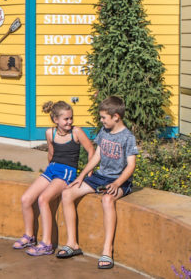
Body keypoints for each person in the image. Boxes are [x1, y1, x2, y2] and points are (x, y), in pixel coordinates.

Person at [55, 96, 138, 270]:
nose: (101, 121)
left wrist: (117, 183)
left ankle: (107, 250)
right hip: (100, 176)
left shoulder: (128, 137)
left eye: (103, 118)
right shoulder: (104, 131)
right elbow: (97, 156)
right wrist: (82, 175)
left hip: (120, 180)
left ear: (116, 116)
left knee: (107, 200)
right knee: (67, 193)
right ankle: (72, 243)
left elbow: (131, 166)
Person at [13, 100, 94, 256]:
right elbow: (51, 154)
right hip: (52, 170)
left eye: (71, 118)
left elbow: (91, 150)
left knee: (43, 199)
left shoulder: (76, 132)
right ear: (55, 120)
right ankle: (29, 236)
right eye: (66, 119)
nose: (70, 121)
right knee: (26, 199)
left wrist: (87, 173)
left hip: (67, 172)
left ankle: (47, 244)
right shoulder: (50, 133)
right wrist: (46, 175)